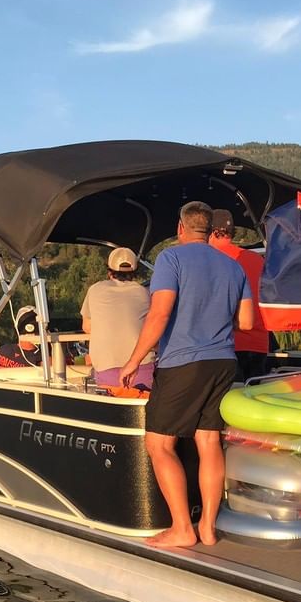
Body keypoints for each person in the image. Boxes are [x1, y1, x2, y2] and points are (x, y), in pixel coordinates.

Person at [119, 201, 254, 548]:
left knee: (159, 443)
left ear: (180, 228)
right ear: (208, 230)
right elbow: (246, 322)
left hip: (182, 363)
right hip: (223, 362)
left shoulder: (171, 259)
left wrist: (134, 360)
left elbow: (160, 314)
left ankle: (182, 528)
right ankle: (207, 527)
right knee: (208, 442)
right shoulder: (233, 267)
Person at [209, 209, 270, 381]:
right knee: (253, 396)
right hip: (258, 344)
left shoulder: (212, 260)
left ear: (212, 232)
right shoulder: (257, 259)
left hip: (225, 346)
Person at [80, 247, 154, 387]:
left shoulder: (95, 290)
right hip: (141, 366)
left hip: (106, 366)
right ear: (134, 272)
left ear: (109, 271)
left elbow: (87, 327)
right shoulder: (145, 293)